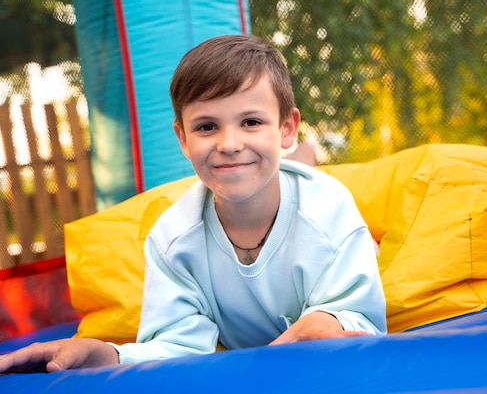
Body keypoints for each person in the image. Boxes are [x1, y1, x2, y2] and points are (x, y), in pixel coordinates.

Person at [0, 34, 387, 373]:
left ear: (286, 127)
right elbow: (173, 347)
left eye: (251, 121)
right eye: (206, 127)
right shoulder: (173, 239)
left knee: (364, 241)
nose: (229, 143)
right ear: (183, 139)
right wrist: (99, 353)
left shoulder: (328, 210)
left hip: (320, 222)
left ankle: (304, 160)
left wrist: (328, 318)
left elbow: (362, 318)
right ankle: (298, 158)